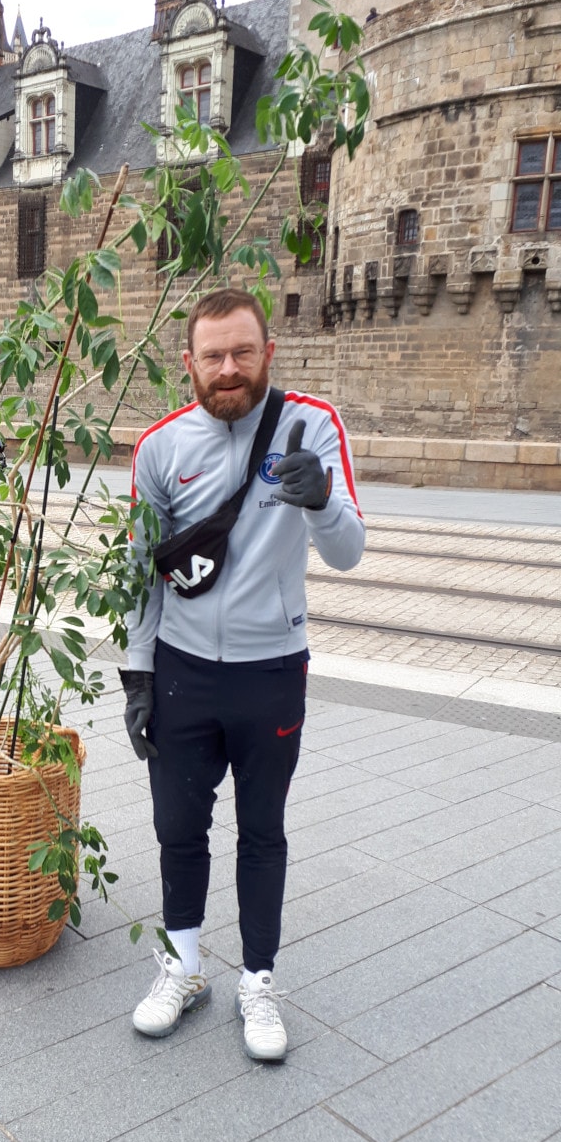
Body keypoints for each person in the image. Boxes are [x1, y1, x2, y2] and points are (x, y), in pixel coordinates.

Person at [121, 287, 364, 1061]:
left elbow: (350, 550)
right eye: (214, 356)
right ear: (188, 363)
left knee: (263, 831)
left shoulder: (312, 425)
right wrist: (137, 671)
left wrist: (320, 498)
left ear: (268, 352)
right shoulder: (159, 448)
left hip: (272, 671)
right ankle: (185, 967)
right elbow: (141, 573)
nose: (229, 369)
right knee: (176, 830)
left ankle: (258, 979)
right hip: (185, 672)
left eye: (243, 352)